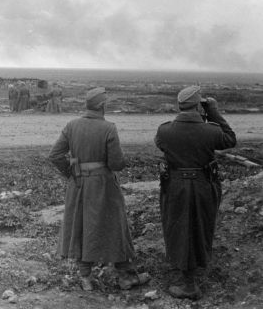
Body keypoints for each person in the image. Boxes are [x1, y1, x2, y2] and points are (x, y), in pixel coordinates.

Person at [48, 87, 149, 291]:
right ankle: (126, 276)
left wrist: (71, 172)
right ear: (102, 106)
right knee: (115, 227)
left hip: (78, 185)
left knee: (81, 226)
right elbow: (117, 164)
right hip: (103, 185)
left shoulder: (71, 125)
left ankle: (85, 278)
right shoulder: (109, 128)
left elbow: (55, 155)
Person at [155, 85, 236, 300]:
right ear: (199, 106)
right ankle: (191, 280)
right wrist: (213, 112)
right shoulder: (211, 131)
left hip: (175, 187)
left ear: (180, 105)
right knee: (201, 226)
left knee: (178, 227)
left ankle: (186, 277)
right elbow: (230, 139)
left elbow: (161, 145)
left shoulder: (165, 130)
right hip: (203, 185)